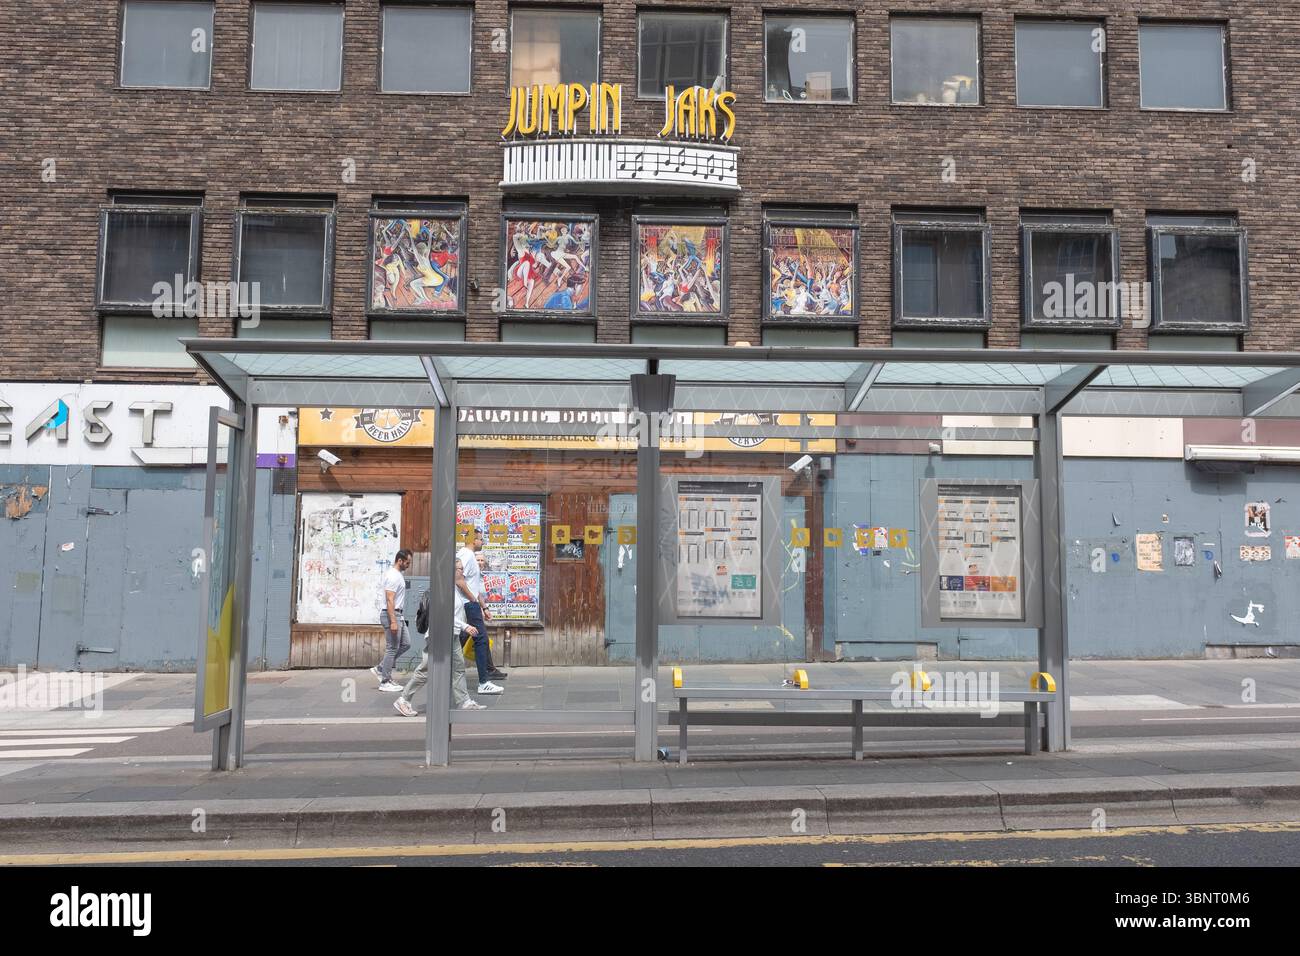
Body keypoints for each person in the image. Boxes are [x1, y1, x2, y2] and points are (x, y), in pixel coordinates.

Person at [394, 573, 484, 717]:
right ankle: (403, 699)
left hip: (451, 634)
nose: (464, 572)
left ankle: (464, 701)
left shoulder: (455, 589)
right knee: (426, 669)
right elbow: (445, 613)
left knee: (458, 668)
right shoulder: (443, 590)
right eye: (461, 569)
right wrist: (465, 626)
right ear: (453, 570)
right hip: (439, 634)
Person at [457, 530, 506, 693]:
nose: (483, 542)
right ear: (473, 539)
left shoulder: (469, 555)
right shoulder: (466, 554)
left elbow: (474, 586)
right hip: (468, 603)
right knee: (481, 639)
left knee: (462, 638)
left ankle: (450, 675)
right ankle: (483, 682)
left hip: (472, 604)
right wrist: (472, 600)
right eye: (481, 539)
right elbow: (458, 579)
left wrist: (484, 607)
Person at [371, 549, 411, 692]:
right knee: (392, 648)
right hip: (391, 615)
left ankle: (381, 668)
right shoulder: (393, 576)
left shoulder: (398, 575)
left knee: (406, 644)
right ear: (399, 560)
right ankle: (385, 681)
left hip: (398, 615)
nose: (408, 565)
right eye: (407, 562)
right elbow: (389, 599)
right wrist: (393, 621)